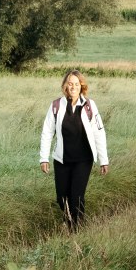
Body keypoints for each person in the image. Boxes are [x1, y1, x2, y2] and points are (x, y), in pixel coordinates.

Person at [39, 69, 109, 232]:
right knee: (61, 197)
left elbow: (99, 133)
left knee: (76, 197)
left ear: (81, 86)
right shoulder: (56, 106)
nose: (73, 87)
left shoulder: (89, 106)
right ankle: (69, 221)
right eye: (70, 84)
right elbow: (47, 132)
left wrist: (103, 160)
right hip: (62, 159)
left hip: (83, 160)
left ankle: (75, 230)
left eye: (76, 84)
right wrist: (44, 158)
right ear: (65, 86)